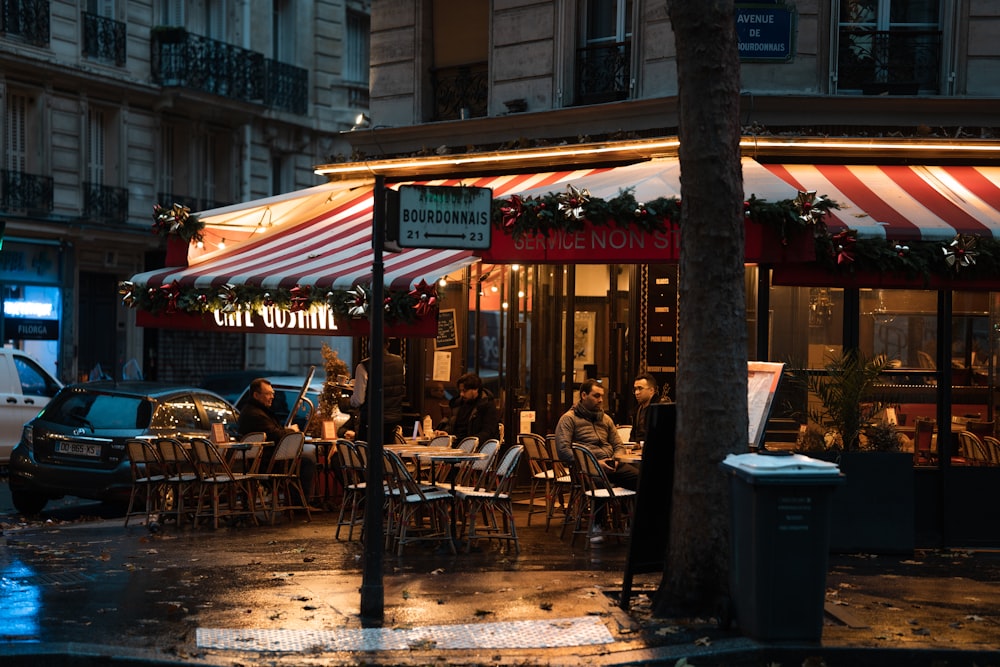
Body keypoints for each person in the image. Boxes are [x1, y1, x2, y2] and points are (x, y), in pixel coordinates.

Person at [554, 379, 639, 542]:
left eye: (602, 396)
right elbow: (563, 452)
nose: (601, 400)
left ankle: (633, 522)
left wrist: (615, 459)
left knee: (642, 478)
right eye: (596, 396)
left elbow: (618, 445)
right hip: (587, 470)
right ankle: (597, 524)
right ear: (583, 395)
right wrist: (595, 463)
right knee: (599, 481)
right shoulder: (569, 419)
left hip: (611, 465)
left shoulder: (605, 419)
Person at [237, 378, 317, 506]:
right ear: (256, 395)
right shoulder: (255, 415)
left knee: (306, 456)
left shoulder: (258, 411)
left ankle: (298, 503)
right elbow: (275, 435)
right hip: (264, 463)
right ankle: (298, 505)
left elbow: (273, 432)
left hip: (266, 459)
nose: (272, 397)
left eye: (272, 393)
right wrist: (290, 431)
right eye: (268, 394)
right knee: (306, 460)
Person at [349, 339, 406, 444]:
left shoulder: (363, 366)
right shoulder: (399, 362)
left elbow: (358, 400)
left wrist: (349, 400)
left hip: (371, 421)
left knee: (366, 455)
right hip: (392, 420)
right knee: (387, 454)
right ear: (387, 344)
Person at [440, 373, 499, 444]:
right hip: (456, 443)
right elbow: (453, 425)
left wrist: (470, 442)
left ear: (475, 389)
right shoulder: (458, 403)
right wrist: (445, 433)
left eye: (464, 391)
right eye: (460, 391)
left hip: (474, 446)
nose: (461, 394)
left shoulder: (486, 405)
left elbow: (488, 432)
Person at [631, 372, 660, 444]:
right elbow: (633, 436)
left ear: (651, 390)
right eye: (635, 389)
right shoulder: (637, 410)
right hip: (637, 449)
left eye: (640, 388)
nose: (637, 392)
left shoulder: (660, 407)